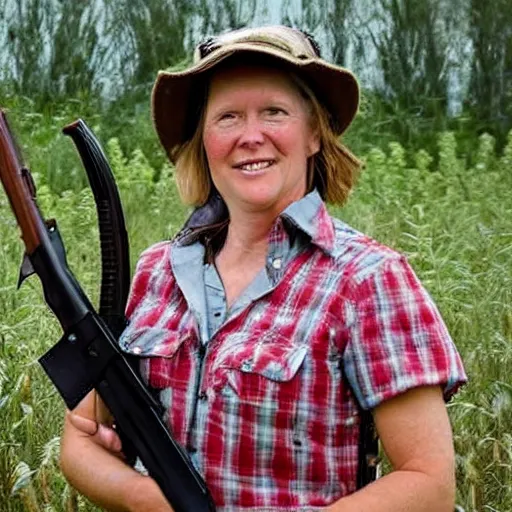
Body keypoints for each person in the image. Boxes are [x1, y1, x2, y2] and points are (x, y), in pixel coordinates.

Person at [60, 25, 467, 511]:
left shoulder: (368, 279)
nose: (251, 137)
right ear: (204, 140)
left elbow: (429, 482)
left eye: (274, 112)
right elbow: (80, 437)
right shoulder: (157, 272)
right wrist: (140, 495)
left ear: (314, 133)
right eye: (228, 117)